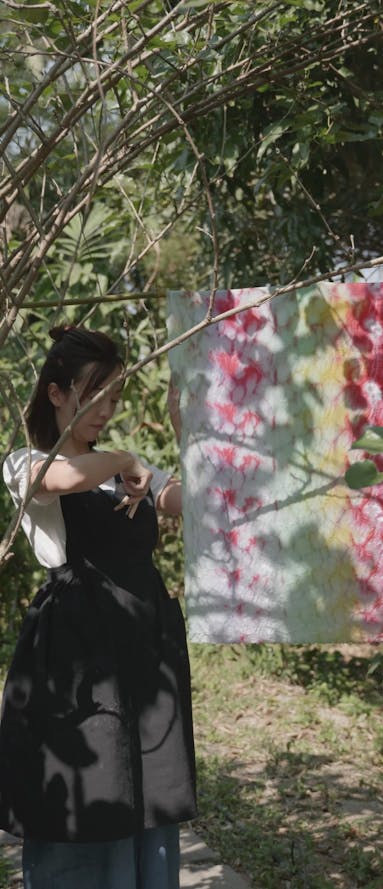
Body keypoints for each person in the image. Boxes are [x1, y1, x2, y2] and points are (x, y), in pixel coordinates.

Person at [0, 326, 196, 889]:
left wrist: (189, 437)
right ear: (56, 393)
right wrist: (123, 459)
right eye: (93, 394)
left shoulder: (123, 473)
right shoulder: (25, 460)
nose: (106, 409)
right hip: (77, 657)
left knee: (146, 790)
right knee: (92, 787)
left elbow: (190, 499)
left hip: (144, 651)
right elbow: (52, 479)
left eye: (113, 396)